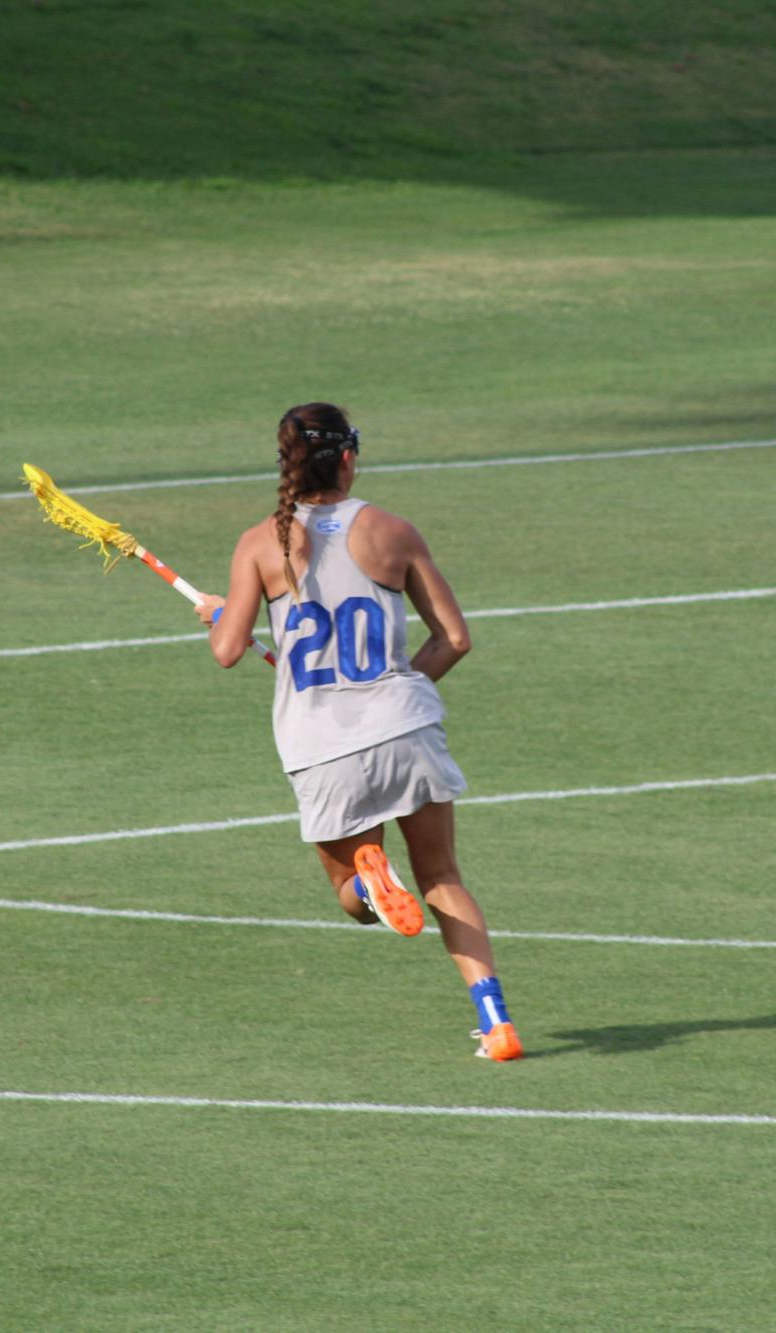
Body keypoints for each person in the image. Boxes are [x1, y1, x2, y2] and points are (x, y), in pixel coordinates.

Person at [195, 402, 523, 1059]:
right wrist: (406, 690)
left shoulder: (260, 542)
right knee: (442, 876)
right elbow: (453, 638)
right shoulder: (390, 530)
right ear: (347, 456)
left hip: (321, 746)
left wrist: (224, 612)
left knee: (349, 896)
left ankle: (370, 884)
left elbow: (229, 650)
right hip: (406, 728)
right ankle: (496, 1020)